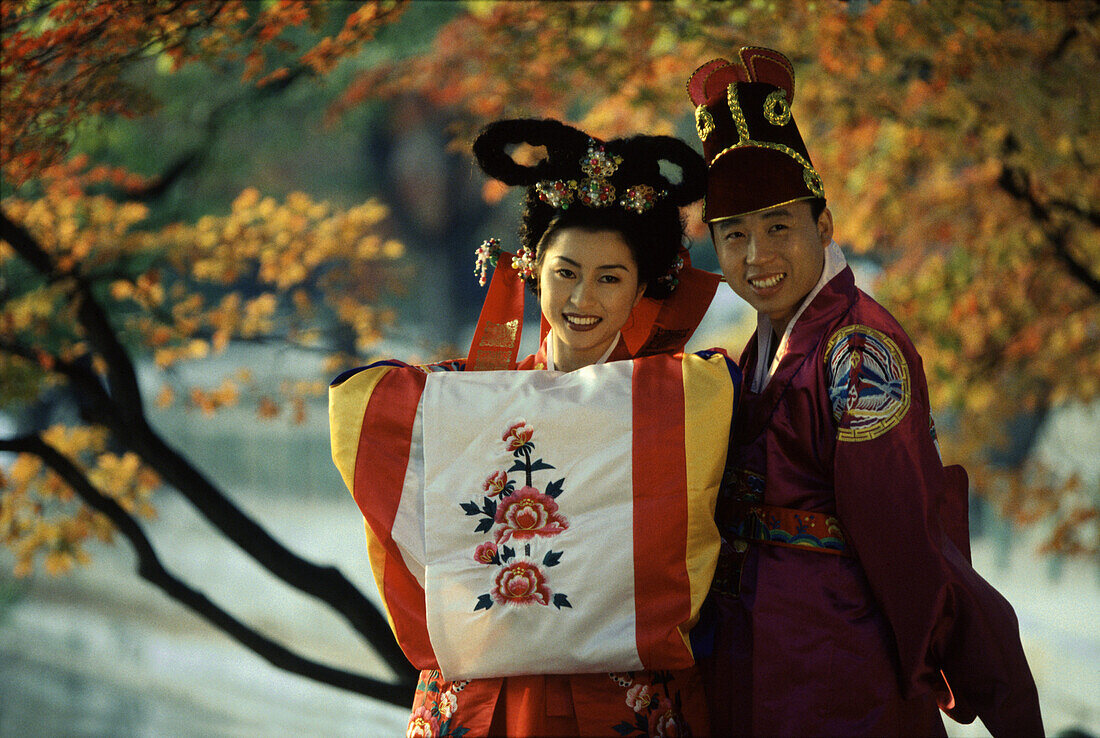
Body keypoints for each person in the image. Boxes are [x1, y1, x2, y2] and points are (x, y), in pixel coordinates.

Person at [685, 47, 1044, 736]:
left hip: (835, 659)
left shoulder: (857, 349)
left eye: (778, 228)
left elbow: (902, 535)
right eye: (734, 237)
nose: (756, 257)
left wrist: (939, 651)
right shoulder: (762, 343)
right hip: (756, 649)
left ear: (822, 226)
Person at [334, 118, 730, 737]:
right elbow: (372, 416)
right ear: (532, 269)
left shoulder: (673, 404)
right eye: (565, 272)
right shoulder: (469, 399)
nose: (583, 297)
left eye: (610, 278)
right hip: (491, 685)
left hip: (616, 692)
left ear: (640, 290)